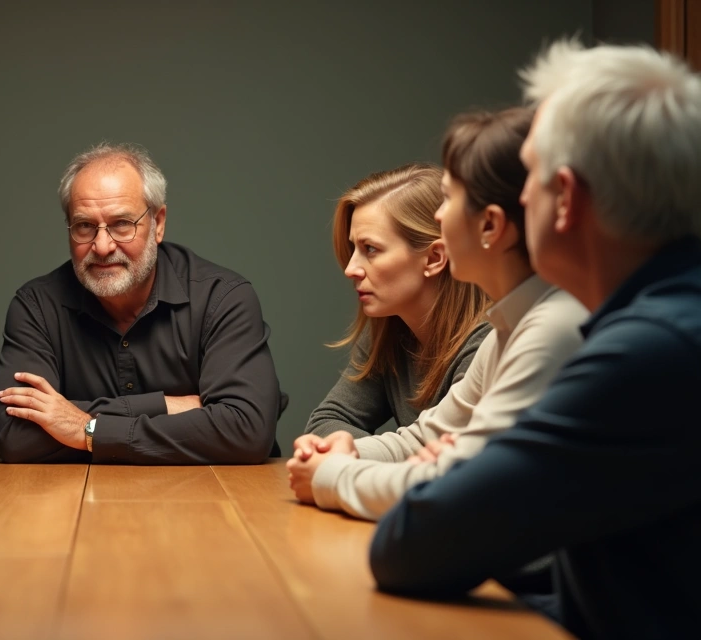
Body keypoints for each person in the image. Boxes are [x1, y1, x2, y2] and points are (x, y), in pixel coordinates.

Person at [369, 40, 701, 640]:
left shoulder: (646, 353)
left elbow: (410, 543)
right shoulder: (665, 320)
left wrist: (455, 475)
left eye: (532, 178)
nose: (520, 199)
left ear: (566, 198)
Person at [287, 107, 588, 521]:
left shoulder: (547, 328)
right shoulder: (510, 327)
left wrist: (333, 475)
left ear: (490, 225)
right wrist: (344, 451)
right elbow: (423, 439)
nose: (440, 217)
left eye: (448, 198)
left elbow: (462, 486)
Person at [0, 142, 282, 464]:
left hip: (211, 493)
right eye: (85, 226)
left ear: (158, 224)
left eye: (121, 224)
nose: (102, 246)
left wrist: (86, 429)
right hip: (80, 494)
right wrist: (166, 406)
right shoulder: (36, 307)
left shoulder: (222, 297)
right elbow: (15, 435)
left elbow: (246, 430)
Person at [303, 164, 490, 440]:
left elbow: (451, 451)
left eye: (370, 249)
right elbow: (326, 422)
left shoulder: (489, 341)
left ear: (434, 258)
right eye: (354, 248)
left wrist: (349, 451)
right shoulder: (390, 329)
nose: (351, 269)